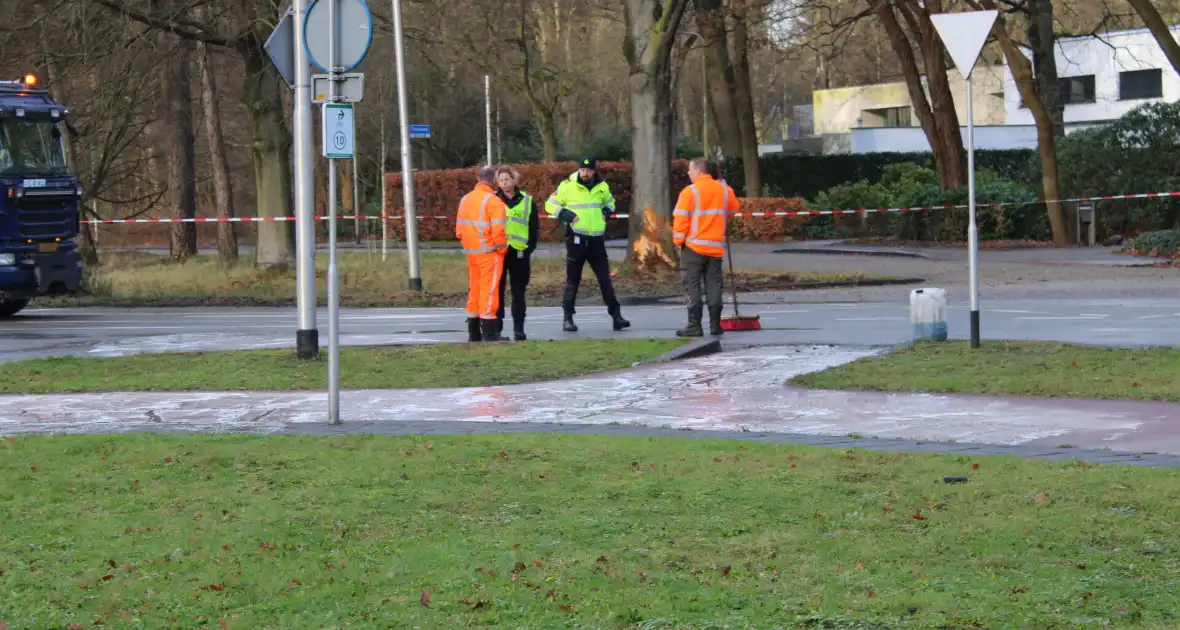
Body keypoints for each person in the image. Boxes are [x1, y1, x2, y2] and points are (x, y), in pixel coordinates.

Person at [545, 156, 630, 333]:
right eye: (583, 170)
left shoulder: (602, 186)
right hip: (577, 238)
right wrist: (567, 215)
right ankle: (567, 318)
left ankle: (616, 316)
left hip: (596, 239)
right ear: (579, 170)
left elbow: (610, 202)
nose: (585, 173)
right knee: (573, 280)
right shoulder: (567, 185)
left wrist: (606, 211)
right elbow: (550, 205)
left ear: (594, 171)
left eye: (589, 170)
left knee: (605, 279)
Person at [672, 157, 740, 337]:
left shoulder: (690, 192)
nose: (688, 173)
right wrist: (727, 188)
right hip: (715, 249)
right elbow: (733, 210)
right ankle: (715, 325)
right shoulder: (724, 191)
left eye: (691, 170)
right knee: (714, 285)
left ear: (699, 171)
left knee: (692, 286)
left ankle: (694, 325)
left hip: (693, 248)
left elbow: (680, 219)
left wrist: (678, 241)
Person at [455, 166, 509, 342]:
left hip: (472, 252)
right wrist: (502, 249)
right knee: (490, 290)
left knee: (475, 290)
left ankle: (474, 332)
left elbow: (459, 230)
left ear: (478, 179)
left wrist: (470, 245)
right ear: (494, 180)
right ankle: (489, 332)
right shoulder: (494, 201)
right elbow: (499, 230)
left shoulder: (465, 200)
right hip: (489, 253)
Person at [492, 165, 539, 341]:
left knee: (518, 292)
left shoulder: (527, 200)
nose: (504, 183)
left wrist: (528, 249)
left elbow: (534, 228)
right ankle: (497, 329)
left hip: (519, 253)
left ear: (514, 180)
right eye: (501, 180)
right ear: (497, 182)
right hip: (498, 252)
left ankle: (519, 329)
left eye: (507, 179)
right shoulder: (493, 200)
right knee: (498, 291)